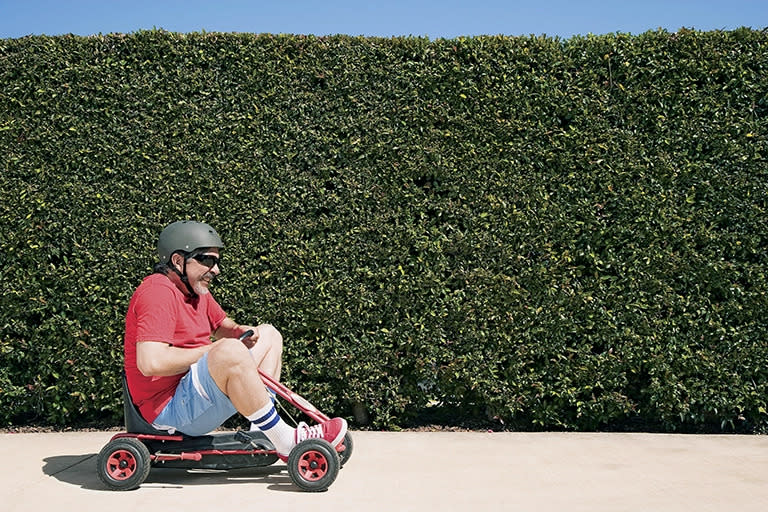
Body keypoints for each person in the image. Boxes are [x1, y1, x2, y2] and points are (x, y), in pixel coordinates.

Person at [123, 220, 347, 460]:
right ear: (178, 261)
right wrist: (217, 349)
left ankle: (263, 430)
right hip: (166, 411)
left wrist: (239, 330)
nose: (216, 269)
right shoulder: (157, 292)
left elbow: (220, 325)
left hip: (191, 393)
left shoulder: (194, 290)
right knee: (228, 350)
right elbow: (151, 363)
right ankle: (284, 439)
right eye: (207, 260)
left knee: (269, 334)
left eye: (217, 261)